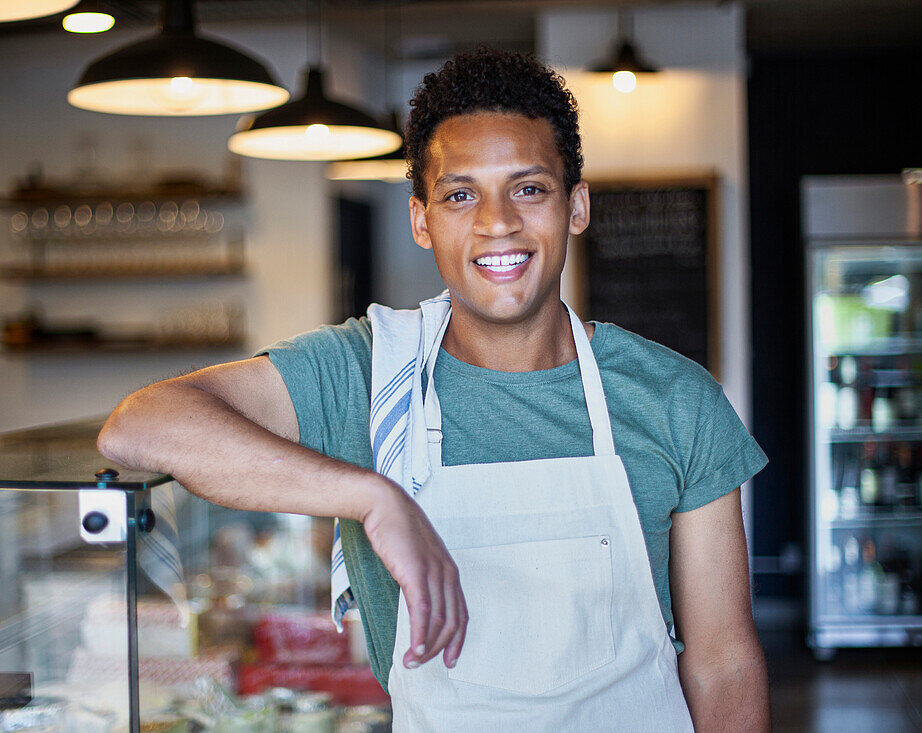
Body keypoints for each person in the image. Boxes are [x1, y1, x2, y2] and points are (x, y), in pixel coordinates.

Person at [98, 48, 770, 732]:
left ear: (577, 205)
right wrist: (373, 497)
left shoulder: (676, 399)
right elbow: (140, 425)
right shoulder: (365, 373)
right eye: (460, 194)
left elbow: (723, 662)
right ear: (422, 220)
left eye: (529, 188)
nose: (497, 221)